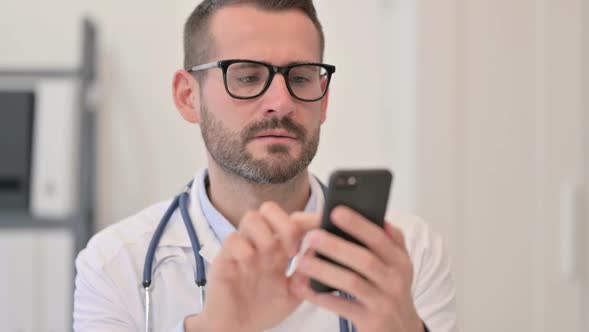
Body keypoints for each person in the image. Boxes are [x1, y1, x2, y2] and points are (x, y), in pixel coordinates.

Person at [73, 1, 456, 331]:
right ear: (188, 97)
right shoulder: (115, 265)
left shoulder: (404, 254)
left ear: (323, 102)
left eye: (301, 77)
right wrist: (212, 328)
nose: (281, 101)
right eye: (248, 76)